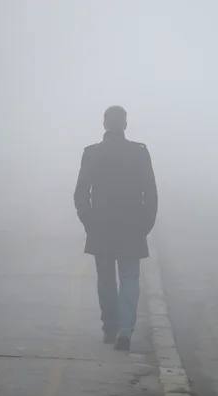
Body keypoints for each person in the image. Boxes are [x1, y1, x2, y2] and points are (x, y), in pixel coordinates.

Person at [74, 106, 158, 351]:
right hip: (132, 227)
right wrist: (146, 225)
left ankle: (110, 328)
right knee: (130, 277)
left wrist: (89, 221)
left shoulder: (92, 153)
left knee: (106, 278)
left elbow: (80, 193)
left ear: (104, 124)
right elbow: (150, 194)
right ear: (125, 124)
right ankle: (125, 330)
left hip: (101, 226)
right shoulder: (139, 153)